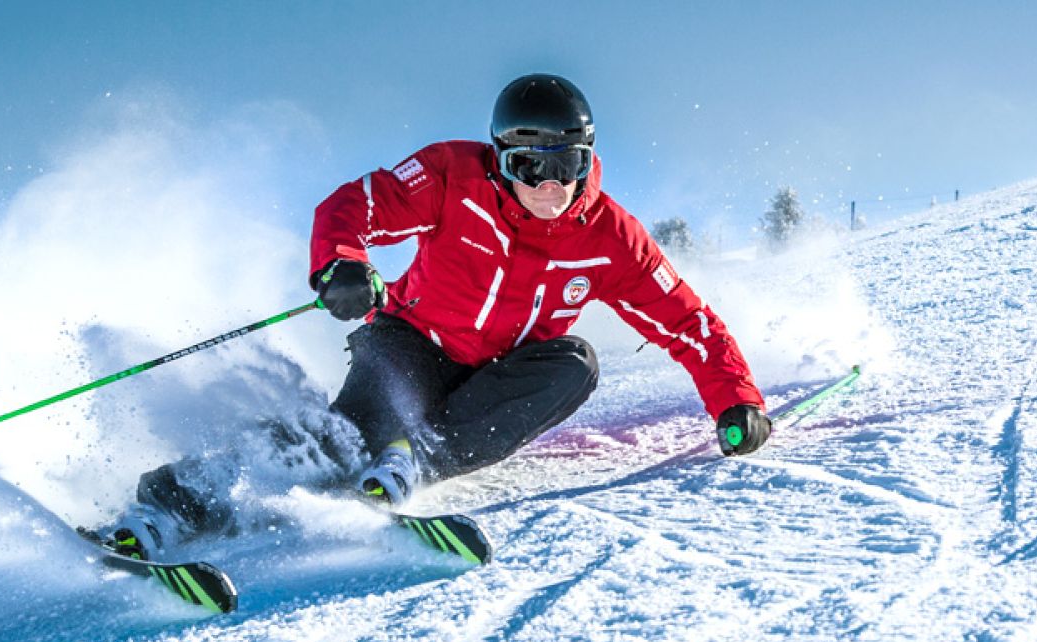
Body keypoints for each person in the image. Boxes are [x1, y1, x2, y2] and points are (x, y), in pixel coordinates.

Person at [97, 73, 770, 557]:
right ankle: (172, 505)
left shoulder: (611, 236)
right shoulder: (454, 174)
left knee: (575, 363)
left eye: (567, 163)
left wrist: (736, 400)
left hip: (501, 377)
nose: (549, 185)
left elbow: (687, 322)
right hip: (409, 343)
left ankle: (410, 463)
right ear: (500, 159)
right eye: (528, 164)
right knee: (346, 438)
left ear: (588, 159)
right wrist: (342, 265)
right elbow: (356, 206)